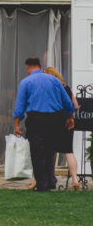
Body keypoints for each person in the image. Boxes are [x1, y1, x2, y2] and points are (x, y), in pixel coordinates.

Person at [13, 56, 75, 191]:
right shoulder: (54, 80)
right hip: (55, 120)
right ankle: (50, 181)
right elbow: (68, 103)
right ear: (40, 66)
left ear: (28, 67)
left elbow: (19, 106)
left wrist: (17, 124)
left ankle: (42, 184)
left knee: (37, 152)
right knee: (49, 151)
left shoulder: (26, 82)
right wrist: (70, 117)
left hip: (36, 120)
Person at [43, 66, 84, 189]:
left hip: (53, 121)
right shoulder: (67, 87)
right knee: (68, 151)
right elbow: (76, 106)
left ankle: (48, 178)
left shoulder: (50, 89)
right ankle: (75, 179)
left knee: (49, 151)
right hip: (67, 121)